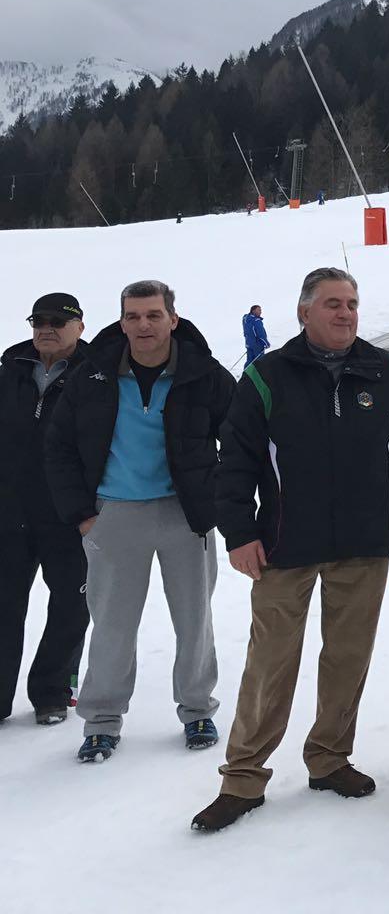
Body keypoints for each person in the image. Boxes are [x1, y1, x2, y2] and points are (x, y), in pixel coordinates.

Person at [189, 267, 389, 832]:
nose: (345, 313)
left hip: (364, 542)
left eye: (352, 303)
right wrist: (240, 533)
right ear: (304, 313)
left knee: (348, 657)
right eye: (332, 304)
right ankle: (243, 779)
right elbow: (235, 460)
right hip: (283, 544)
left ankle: (329, 759)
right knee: (270, 662)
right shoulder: (267, 375)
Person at [44, 280, 234, 763]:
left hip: (184, 516)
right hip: (114, 515)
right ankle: (101, 721)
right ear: (122, 321)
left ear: (173, 318)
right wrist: (84, 517)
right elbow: (59, 447)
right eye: (133, 316)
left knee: (194, 620)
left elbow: (240, 438)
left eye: (153, 315)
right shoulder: (93, 375)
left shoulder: (203, 374)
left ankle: (197, 710)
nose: (143, 325)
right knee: (112, 624)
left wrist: (214, 498)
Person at [0, 294, 92, 727]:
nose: (46, 328)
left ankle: (52, 691)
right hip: (9, 512)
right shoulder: (11, 371)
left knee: (71, 606)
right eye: (39, 320)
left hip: (70, 514)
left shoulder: (97, 375)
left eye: (58, 320)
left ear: (80, 326)